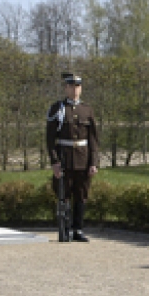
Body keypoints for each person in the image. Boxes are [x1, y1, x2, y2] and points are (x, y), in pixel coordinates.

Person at [46, 73, 99, 242]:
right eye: (71, 86)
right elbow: (50, 139)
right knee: (65, 195)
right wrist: (54, 161)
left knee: (82, 195)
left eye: (77, 86)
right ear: (66, 88)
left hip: (83, 159)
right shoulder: (57, 109)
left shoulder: (87, 109)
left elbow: (93, 139)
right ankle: (66, 229)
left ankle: (78, 229)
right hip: (65, 159)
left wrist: (94, 162)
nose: (75, 90)